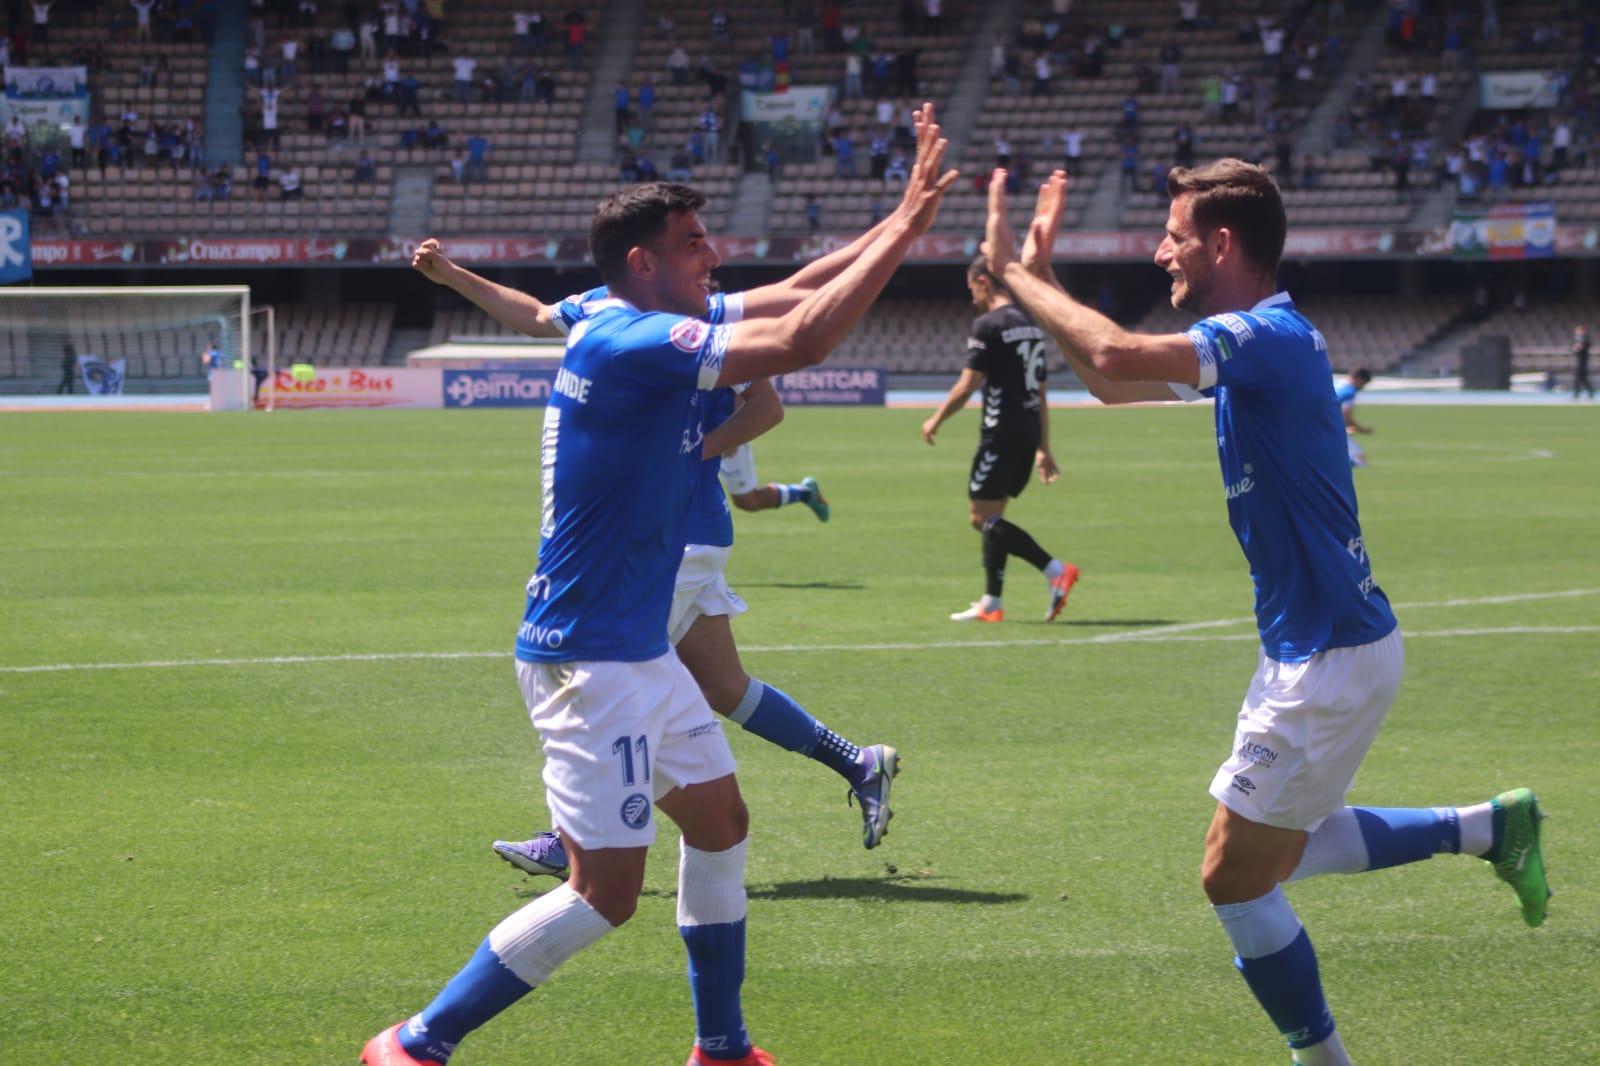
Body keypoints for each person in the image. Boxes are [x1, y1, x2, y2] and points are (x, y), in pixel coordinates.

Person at [363, 108, 955, 1066]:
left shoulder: (609, 313)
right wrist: (911, 238)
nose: (713, 255)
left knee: (721, 825)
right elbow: (803, 337)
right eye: (693, 245)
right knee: (606, 896)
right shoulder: (633, 344)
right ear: (641, 263)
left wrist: (896, 220)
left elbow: (798, 287)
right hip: (585, 662)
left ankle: (722, 1048)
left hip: (636, 648)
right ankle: (416, 1043)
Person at [983, 161, 1550, 1066]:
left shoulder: (1265, 338)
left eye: (1173, 234)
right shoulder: (1243, 346)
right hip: (1318, 648)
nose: (1159, 249)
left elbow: (1117, 356)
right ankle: (1486, 827)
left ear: (1221, 243)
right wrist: (1036, 282)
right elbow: (1108, 381)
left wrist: (1013, 273)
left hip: (1326, 654)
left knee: (1233, 878)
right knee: (1272, 855)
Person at [920, 254, 1079, 624]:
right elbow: (1040, 390)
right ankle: (991, 603)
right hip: (1026, 432)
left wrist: (936, 419)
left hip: (1000, 432)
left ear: (984, 282)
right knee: (995, 520)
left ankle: (1056, 570)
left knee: (981, 518)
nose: (972, 297)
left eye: (972, 288)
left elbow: (969, 383)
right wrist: (1043, 446)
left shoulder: (988, 324)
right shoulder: (1030, 326)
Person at [1336, 367, 1372, 467]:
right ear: (1360, 380)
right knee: (1359, 459)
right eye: (1364, 384)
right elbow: (1346, 417)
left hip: (1317, 419)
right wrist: (1363, 430)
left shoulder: (1337, 383)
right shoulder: (1349, 392)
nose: (1363, 387)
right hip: (1326, 423)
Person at [1571, 324, 1593, 399]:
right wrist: (1575, 348)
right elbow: (1573, 348)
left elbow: (1587, 346)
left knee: (1580, 378)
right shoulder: (1576, 339)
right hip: (1578, 360)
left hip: (1583, 361)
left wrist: (1580, 347)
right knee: (1581, 378)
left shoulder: (1585, 339)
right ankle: (1580, 392)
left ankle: (1578, 393)